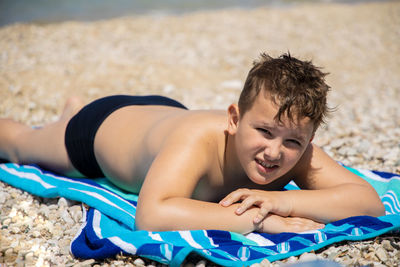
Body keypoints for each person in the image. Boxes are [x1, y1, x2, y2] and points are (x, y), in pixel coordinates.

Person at [0, 53, 384, 234]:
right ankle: (74, 114)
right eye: (263, 132)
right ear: (234, 119)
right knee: (20, 145)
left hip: (163, 117)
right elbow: (151, 215)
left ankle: (70, 108)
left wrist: (284, 199)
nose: (274, 152)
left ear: (309, 139)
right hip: (100, 131)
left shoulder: (291, 145)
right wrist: (261, 219)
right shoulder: (198, 142)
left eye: (293, 142)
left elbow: (369, 202)